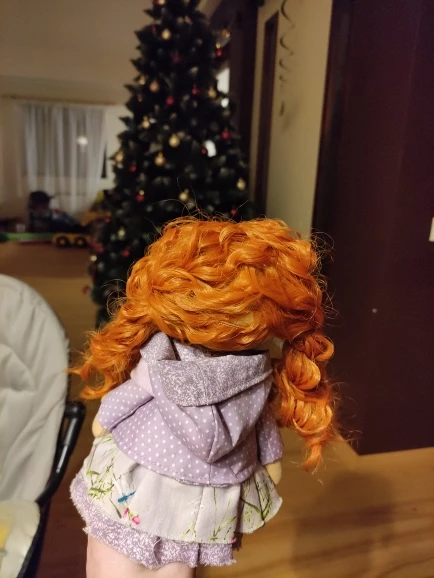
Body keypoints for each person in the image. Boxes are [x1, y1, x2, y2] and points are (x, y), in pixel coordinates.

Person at [71, 217, 336, 577]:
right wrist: (271, 457)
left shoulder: (168, 360)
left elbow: (136, 392)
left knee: (150, 551)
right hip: (188, 476)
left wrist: (106, 417)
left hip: (153, 459)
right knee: (174, 555)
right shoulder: (244, 370)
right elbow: (261, 420)